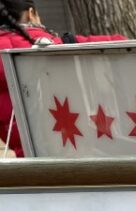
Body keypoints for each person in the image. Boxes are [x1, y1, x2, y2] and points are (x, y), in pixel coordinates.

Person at [0, 0, 127, 156]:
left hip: (25, 152)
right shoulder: (45, 44)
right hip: (66, 149)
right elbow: (114, 42)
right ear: (31, 14)